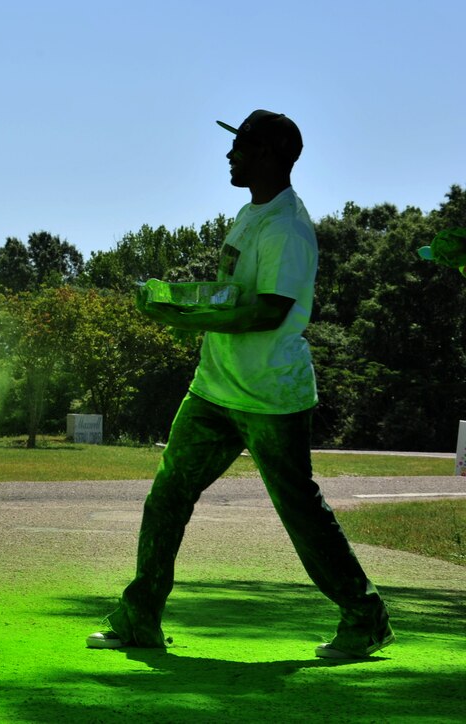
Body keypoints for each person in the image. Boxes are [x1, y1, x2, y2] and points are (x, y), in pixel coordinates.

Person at [86, 110, 394, 659]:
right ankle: (139, 618)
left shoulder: (287, 227)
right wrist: (178, 299)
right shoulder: (249, 214)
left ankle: (365, 617)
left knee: (300, 510)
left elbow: (272, 311)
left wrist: (183, 319)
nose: (231, 155)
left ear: (273, 155)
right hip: (214, 388)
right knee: (167, 497)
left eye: (243, 146)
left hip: (271, 396)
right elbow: (234, 296)